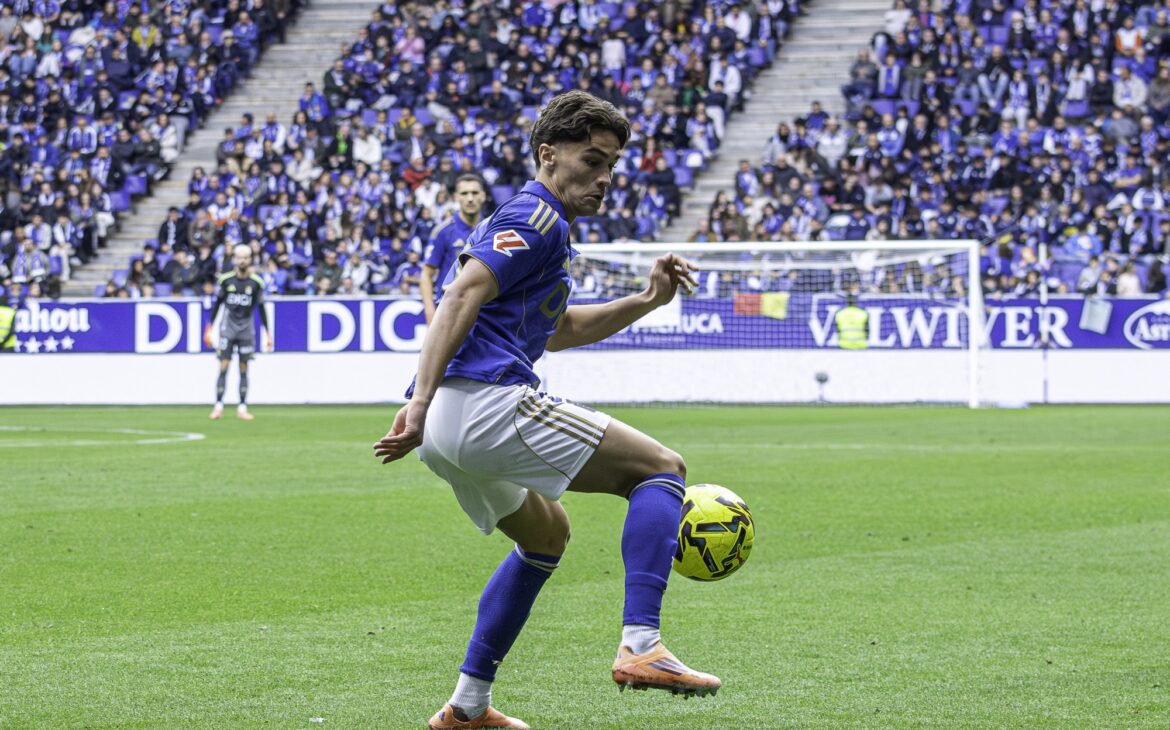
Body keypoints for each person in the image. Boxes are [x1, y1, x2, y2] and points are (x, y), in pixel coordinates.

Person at [372, 91, 715, 730]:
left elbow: (558, 331)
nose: (604, 177)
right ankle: (642, 645)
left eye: (611, 165)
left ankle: (468, 707)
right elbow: (460, 295)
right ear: (548, 155)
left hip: (451, 424)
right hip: (483, 403)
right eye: (592, 160)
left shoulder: (541, 228)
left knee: (546, 535)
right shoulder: (536, 217)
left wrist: (646, 299)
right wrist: (417, 401)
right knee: (661, 469)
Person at [203, 244, 272, 421]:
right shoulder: (226, 280)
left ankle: (242, 407)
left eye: (245, 258)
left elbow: (261, 308)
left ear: (250, 260)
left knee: (243, 369)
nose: (242, 261)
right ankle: (218, 406)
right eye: (239, 257)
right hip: (228, 329)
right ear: (234, 259)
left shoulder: (256, 283)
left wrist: (267, 332)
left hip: (246, 330)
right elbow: (217, 305)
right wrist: (209, 327)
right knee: (223, 367)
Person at [420, 174, 487, 323]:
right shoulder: (443, 231)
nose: (470, 198)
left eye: (475, 193)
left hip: (484, 315)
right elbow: (426, 274)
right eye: (464, 193)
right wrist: (430, 313)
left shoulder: (493, 229)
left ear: (483, 196)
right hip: (449, 315)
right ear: (456, 197)